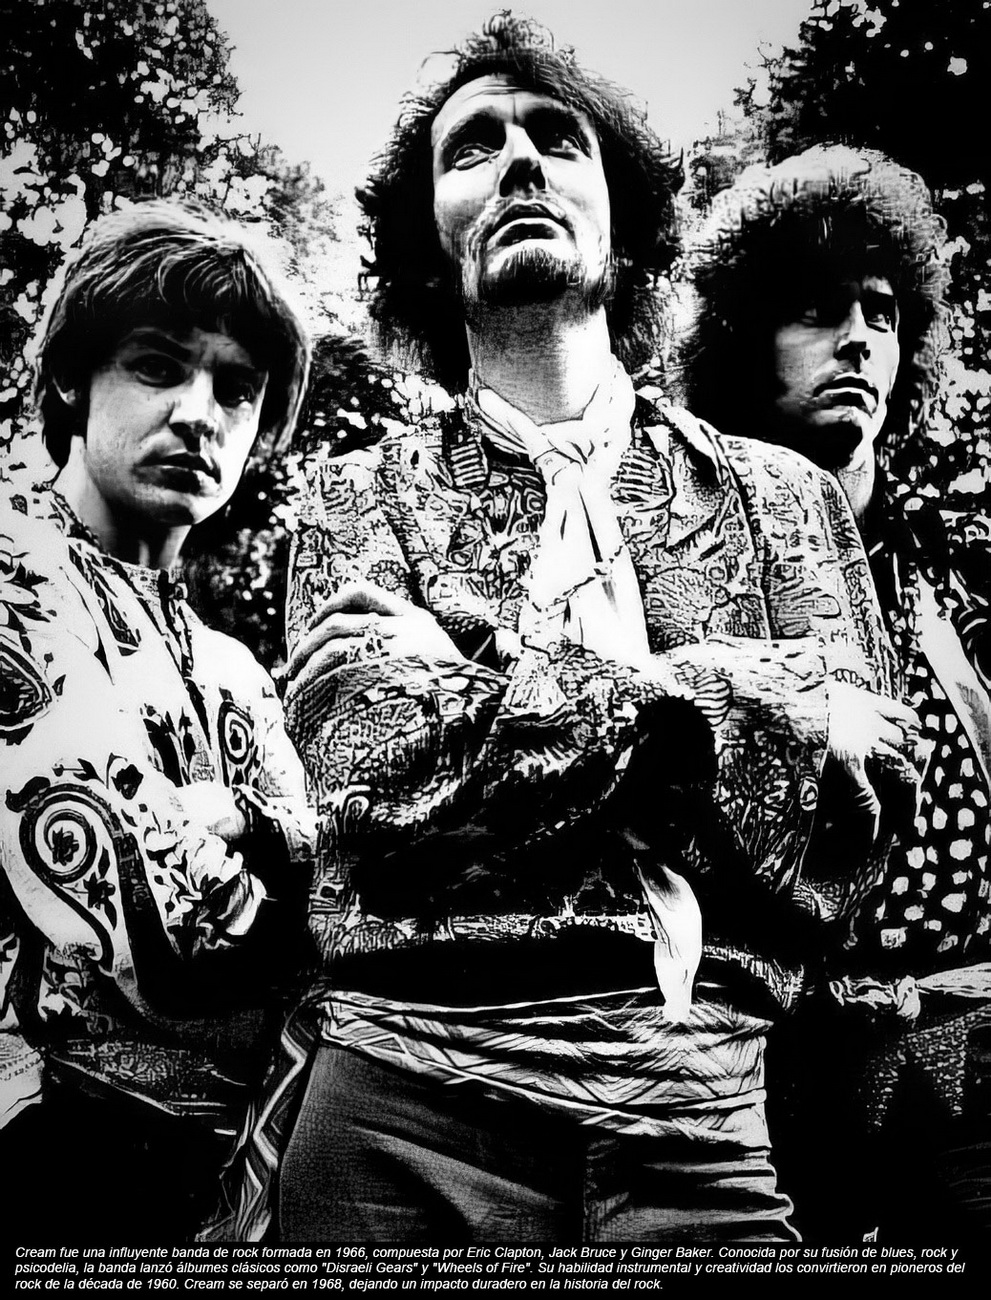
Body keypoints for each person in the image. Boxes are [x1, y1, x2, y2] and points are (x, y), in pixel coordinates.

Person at [226, 17, 915, 1244]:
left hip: (701, 1110)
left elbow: (851, 816)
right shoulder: (351, 499)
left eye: (556, 138)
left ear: (624, 216)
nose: (519, 161)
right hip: (402, 1099)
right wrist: (740, 699)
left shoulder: (784, 500)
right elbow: (378, 788)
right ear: (427, 244)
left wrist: (483, 683)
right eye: (471, 148)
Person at [683, 144, 991, 1238]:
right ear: (743, 337)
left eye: (882, 312)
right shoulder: (672, 557)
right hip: (750, 1086)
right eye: (816, 310)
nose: (858, 337)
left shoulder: (959, 568)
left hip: (970, 1067)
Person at [0, 199, 315, 1240]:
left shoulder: (233, 667)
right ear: (70, 380)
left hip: (216, 1191)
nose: (198, 413)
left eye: (236, 388)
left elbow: (338, 902)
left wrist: (268, 836)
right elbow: (172, 941)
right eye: (156, 366)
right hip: (43, 1161)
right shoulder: (13, 578)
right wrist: (299, 867)